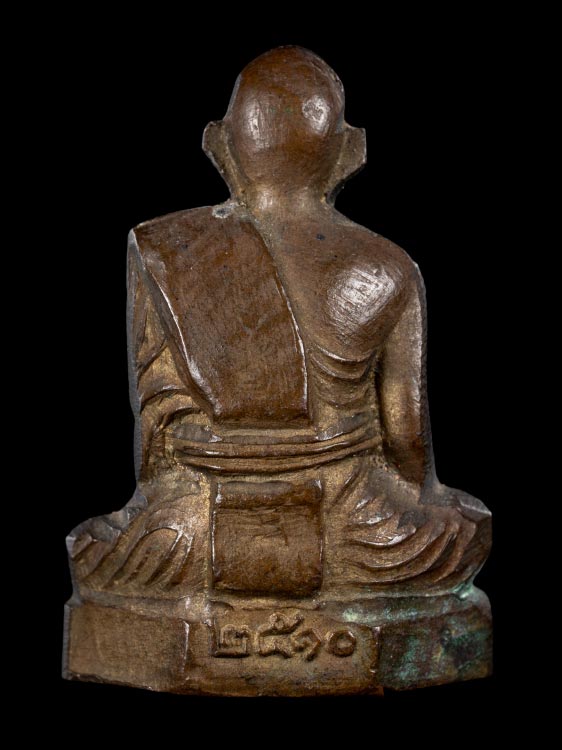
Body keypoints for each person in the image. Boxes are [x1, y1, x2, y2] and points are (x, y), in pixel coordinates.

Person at [67, 46, 490, 605]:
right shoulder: (389, 267)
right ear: (350, 151)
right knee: (462, 531)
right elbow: (407, 443)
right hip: (355, 528)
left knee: (97, 550)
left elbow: (154, 450)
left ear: (220, 145)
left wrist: (159, 506)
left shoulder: (163, 248)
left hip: (193, 534)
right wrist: (426, 501)